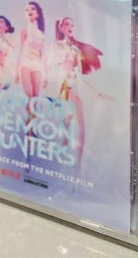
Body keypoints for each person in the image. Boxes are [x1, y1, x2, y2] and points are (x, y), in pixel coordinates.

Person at [47, 17, 109, 167]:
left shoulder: (76, 50)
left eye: (72, 25)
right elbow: (54, 64)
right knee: (77, 124)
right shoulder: (57, 46)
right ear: (61, 28)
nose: (70, 27)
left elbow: (78, 77)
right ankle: (70, 164)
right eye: (67, 24)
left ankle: (74, 164)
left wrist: (97, 93)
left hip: (73, 86)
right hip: (64, 87)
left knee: (72, 124)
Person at [15, 1, 47, 99]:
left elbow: (43, 55)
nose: (29, 11)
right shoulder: (24, 31)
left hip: (37, 64)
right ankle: (28, 108)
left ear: (37, 14)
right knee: (28, 95)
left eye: (33, 9)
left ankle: (33, 110)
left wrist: (46, 76)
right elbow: (20, 51)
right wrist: (16, 72)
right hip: (26, 63)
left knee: (36, 96)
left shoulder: (41, 35)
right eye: (27, 10)